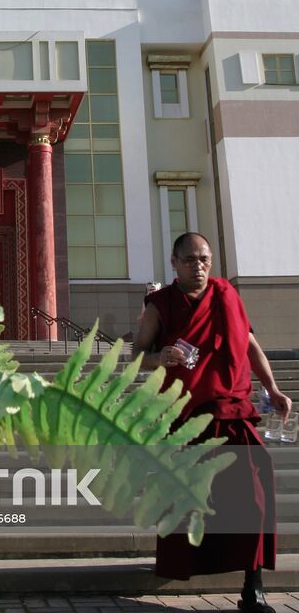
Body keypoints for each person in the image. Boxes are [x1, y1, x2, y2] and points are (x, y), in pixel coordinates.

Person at [132, 232, 292, 613]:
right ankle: (184, 563)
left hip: (230, 411)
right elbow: (137, 354)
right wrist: (161, 356)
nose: (198, 266)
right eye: (190, 259)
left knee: (254, 493)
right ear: (174, 262)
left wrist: (273, 387)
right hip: (184, 415)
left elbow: (250, 344)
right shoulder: (160, 305)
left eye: (204, 259)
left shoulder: (227, 296)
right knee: (186, 499)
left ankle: (253, 586)